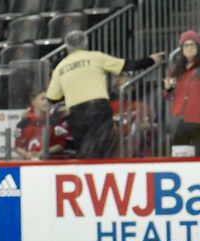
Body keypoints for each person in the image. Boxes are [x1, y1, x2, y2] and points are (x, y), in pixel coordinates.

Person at [45, 30, 165, 159]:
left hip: (76, 114)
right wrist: (150, 60)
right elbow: (127, 65)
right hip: (98, 110)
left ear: (67, 46)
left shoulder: (60, 67)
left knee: (85, 153)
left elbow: (52, 97)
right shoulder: (96, 57)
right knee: (106, 152)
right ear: (86, 43)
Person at [164, 30, 200, 155]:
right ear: (181, 49)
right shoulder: (176, 70)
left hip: (198, 119)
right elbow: (169, 95)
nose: (189, 48)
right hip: (180, 119)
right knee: (179, 155)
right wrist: (168, 89)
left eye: (192, 45)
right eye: (186, 45)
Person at [13, 90, 69, 160]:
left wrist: (42, 153)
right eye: (43, 99)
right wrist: (27, 154)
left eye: (48, 100)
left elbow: (61, 145)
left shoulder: (55, 120)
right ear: (33, 102)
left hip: (51, 162)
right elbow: (17, 146)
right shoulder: (24, 122)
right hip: (29, 162)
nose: (47, 102)